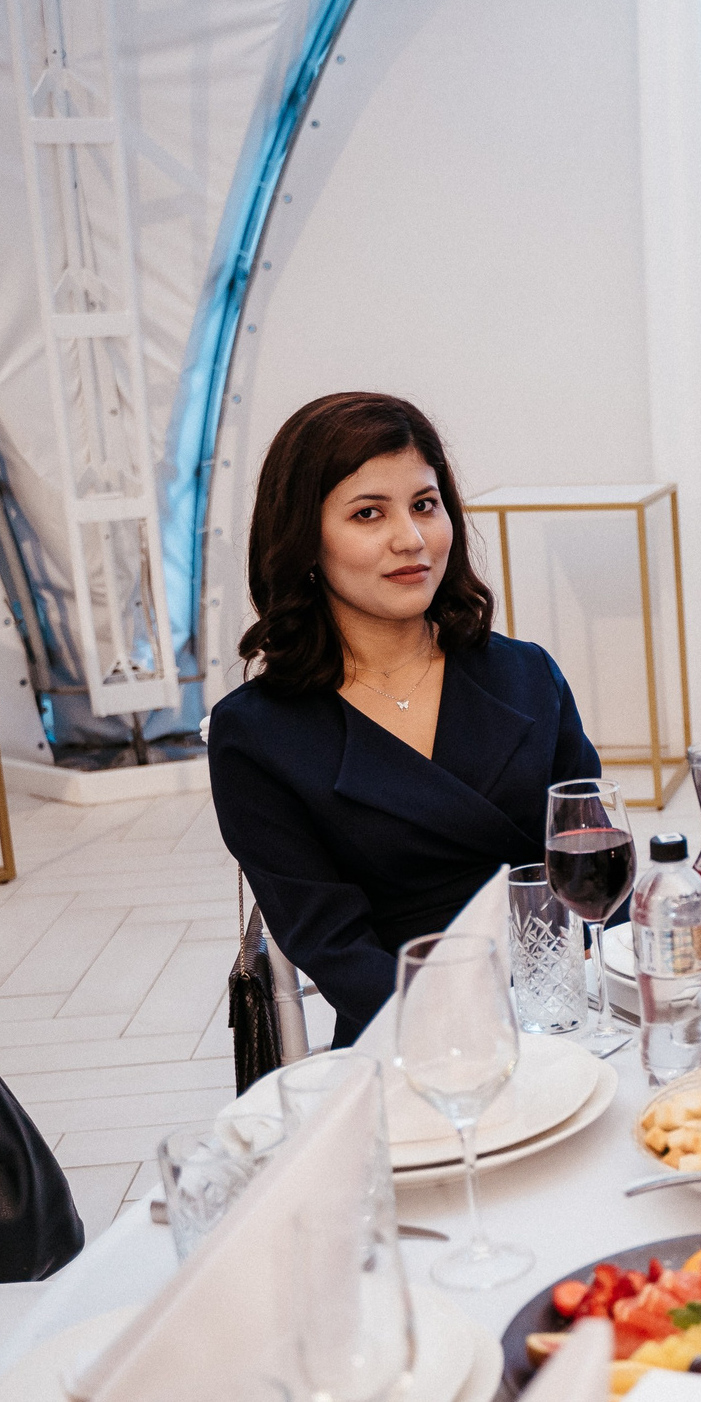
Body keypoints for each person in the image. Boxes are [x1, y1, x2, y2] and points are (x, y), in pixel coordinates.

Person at [208, 393, 602, 1046]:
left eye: (425, 504)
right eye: (369, 513)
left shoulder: (528, 675)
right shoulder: (256, 735)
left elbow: (592, 876)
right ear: (304, 541)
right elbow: (335, 948)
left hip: (568, 1016)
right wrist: (475, 1033)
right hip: (410, 1040)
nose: (411, 539)